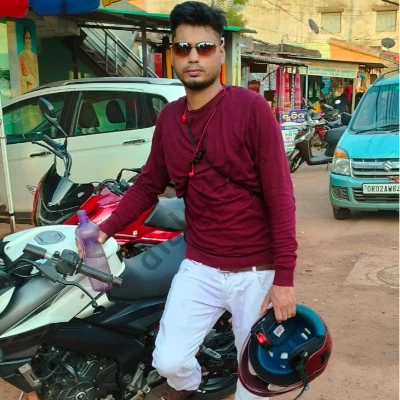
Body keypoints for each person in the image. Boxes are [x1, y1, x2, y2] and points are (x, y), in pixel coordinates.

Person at [88, 2, 298, 399]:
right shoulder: (170, 119)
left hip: (255, 271)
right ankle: (193, 388)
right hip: (200, 265)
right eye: (183, 48)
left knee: (254, 378)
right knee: (169, 361)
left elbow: (281, 198)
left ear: (221, 52)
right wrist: (104, 230)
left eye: (204, 47)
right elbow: (147, 185)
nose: (193, 57)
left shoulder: (251, 109)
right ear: (173, 54)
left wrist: (284, 279)